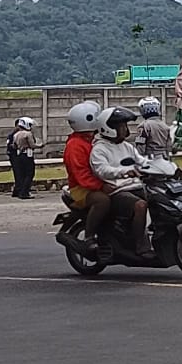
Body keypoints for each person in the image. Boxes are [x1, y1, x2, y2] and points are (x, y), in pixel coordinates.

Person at [90, 106, 156, 260]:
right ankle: (141, 246)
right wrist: (123, 171)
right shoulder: (99, 149)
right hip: (116, 190)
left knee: (160, 199)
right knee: (140, 206)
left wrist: (158, 166)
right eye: (121, 126)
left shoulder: (126, 146)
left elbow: (142, 161)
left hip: (135, 186)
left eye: (125, 125)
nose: (125, 129)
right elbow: (102, 170)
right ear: (109, 128)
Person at [61, 101, 113, 259]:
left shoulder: (90, 140)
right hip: (81, 189)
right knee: (102, 201)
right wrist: (101, 186)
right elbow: (81, 175)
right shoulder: (75, 145)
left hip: (93, 184)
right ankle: (89, 236)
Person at [6, 116, 38, 199]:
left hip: (19, 154)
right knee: (29, 173)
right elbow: (32, 145)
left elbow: (14, 146)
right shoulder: (28, 134)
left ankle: (19, 190)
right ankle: (24, 192)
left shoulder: (15, 135)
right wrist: (41, 145)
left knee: (20, 174)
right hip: (27, 154)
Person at [134, 96, 173, 160]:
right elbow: (169, 146)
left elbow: (140, 147)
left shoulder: (143, 126)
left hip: (150, 159)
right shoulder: (165, 126)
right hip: (164, 158)